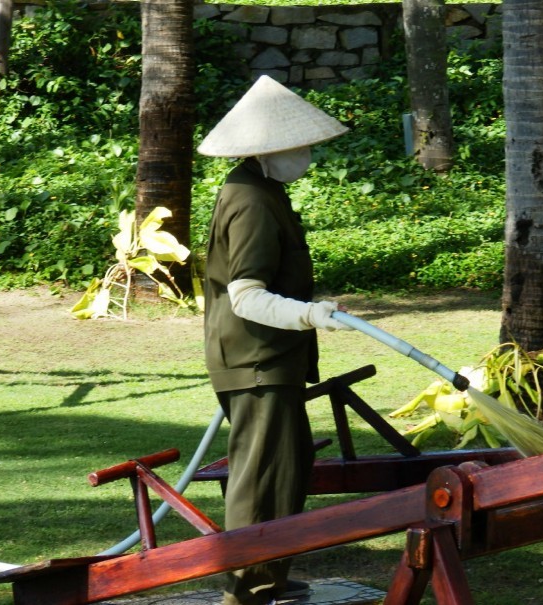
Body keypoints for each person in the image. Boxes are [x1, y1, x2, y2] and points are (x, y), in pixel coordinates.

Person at [197, 75, 353, 605]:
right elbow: (245, 294)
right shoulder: (253, 201)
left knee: (285, 468)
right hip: (256, 357)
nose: (307, 155)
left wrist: (311, 313)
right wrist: (310, 315)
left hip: (268, 357)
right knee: (263, 475)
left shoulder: (262, 189)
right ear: (270, 150)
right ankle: (248, 588)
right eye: (301, 146)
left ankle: (268, 575)